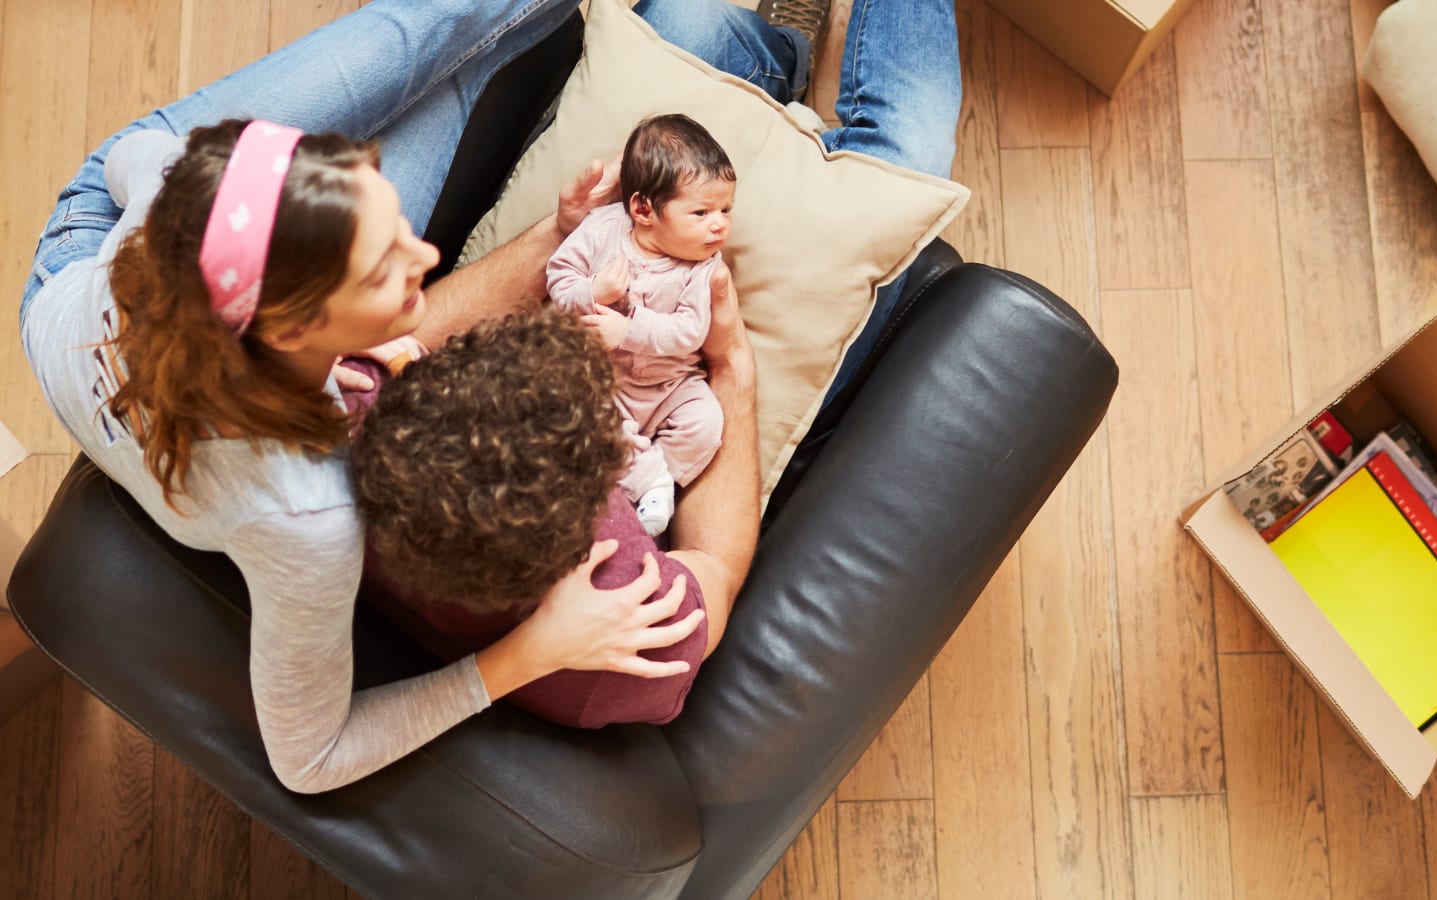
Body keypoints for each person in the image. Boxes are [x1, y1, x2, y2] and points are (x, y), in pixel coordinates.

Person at [19, 0, 959, 794]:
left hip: (108, 232)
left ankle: (769, 60)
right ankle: (768, 62)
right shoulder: (315, 518)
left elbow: (400, 325)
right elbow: (308, 757)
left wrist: (568, 233)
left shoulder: (280, 318)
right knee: (858, 120)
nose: (428, 255)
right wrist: (733, 373)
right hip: (140, 282)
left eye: (393, 226)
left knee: (481, 29)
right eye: (390, 261)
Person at [348, 306, 723, 729]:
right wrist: (734, 367)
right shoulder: (636, 619)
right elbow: (716, 564)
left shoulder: (346, 391)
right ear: (603, 501)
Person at [547, 114, 736, 536]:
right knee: (574, 406)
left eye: (726, 209)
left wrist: (629, 332)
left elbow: (690, 331)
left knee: (706, 423)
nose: (720, 223)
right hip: (602, 380)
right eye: (702, 211)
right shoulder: (602, 229)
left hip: (669, 385)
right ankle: (642, 479)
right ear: (643, 208)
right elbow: (559, 277)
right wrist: (593, 289)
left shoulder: (704, 267)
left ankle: (652, 480)